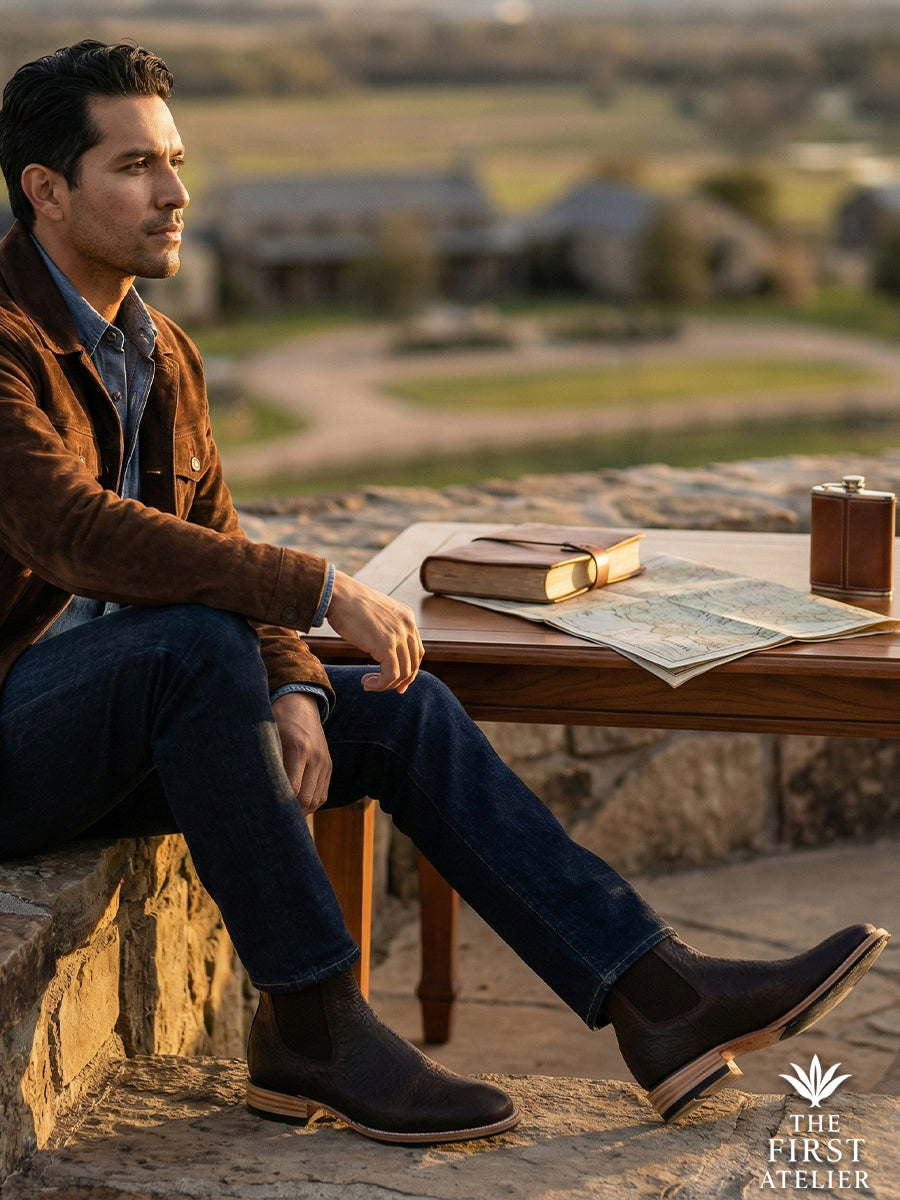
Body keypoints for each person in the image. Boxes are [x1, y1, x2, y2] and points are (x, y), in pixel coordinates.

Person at [0, 39, 889, 1146]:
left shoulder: (161, 350)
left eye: (176, 160)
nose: (177, 192)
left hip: (152, 713)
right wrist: (324, 588)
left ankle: (660, 997)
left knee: (394, 701)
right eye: (135, 166)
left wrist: (292, 685)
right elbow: (74, 533)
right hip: (17, 741)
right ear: (47, 189)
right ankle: (313, 1022)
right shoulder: (5, 346)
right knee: (192, 642)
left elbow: (207, 540)